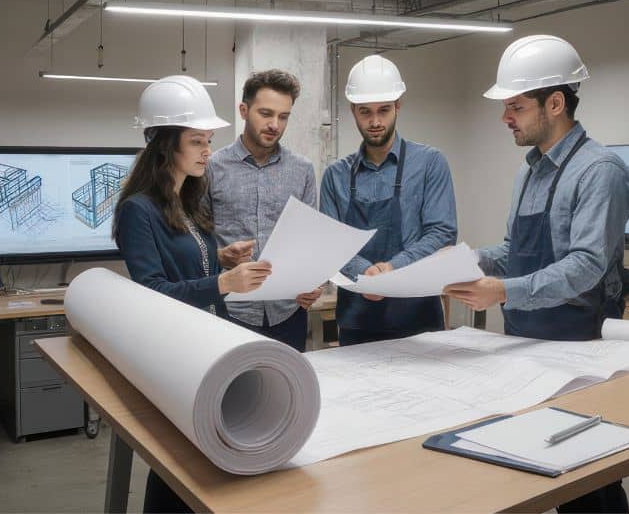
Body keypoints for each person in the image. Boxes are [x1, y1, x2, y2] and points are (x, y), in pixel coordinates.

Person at [444, 35, 629, 513]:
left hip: (581, 347)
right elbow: (515, 249)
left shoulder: (600, 171)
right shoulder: (528, 172)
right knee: (533, 465)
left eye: (516, 106)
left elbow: (586, 266)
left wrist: (503, 291)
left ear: (555, 103)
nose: (505, 118)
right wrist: (466, 262)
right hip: (525, 344)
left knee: (589, 482)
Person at [113, 75, 272, 514]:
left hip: (207, 343)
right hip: (176, 352)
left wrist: (220, 259)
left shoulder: (185, 199)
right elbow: (151, 291)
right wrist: (223, 283)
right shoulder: (138, 210)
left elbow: (184, 264)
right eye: (197, 141)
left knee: (208, 462)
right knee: (179, 466)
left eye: (209, 141)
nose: (207, 151)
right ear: (165, 146)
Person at [320, 55, 457, 346]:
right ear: (353, 111)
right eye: (365, 112)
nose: (375, 121)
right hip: (357, 322)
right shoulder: (335, 176)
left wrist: (391, 269)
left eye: (383, 110)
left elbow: (442, 232)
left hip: (419, 318)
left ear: (398, 106)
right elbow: (329, 244)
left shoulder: (430, 163)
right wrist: (365, 272)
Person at [208, 69, 321, 352]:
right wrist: (220, 256)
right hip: (230, 311)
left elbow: (308, 240)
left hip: (289, 311)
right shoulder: (211, 168)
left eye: (283, 117)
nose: (274, 125)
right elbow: (195, 240)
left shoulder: (302, 170)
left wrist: (312, 282)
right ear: (244, 110)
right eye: (266, 114)